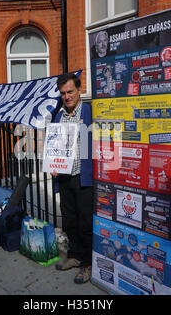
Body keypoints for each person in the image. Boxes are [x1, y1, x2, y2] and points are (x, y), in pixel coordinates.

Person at [51, 73, 93, 284]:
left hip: (83, 178)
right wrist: (52, 164)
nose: (66, 96)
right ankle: (75, 256)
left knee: (85, 224)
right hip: (65, 178)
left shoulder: (89, 112)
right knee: (69, 221)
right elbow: (55, 147)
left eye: (70, 92)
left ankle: (87, 264)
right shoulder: (58, 116)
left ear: (79, 90)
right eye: (63, 93)